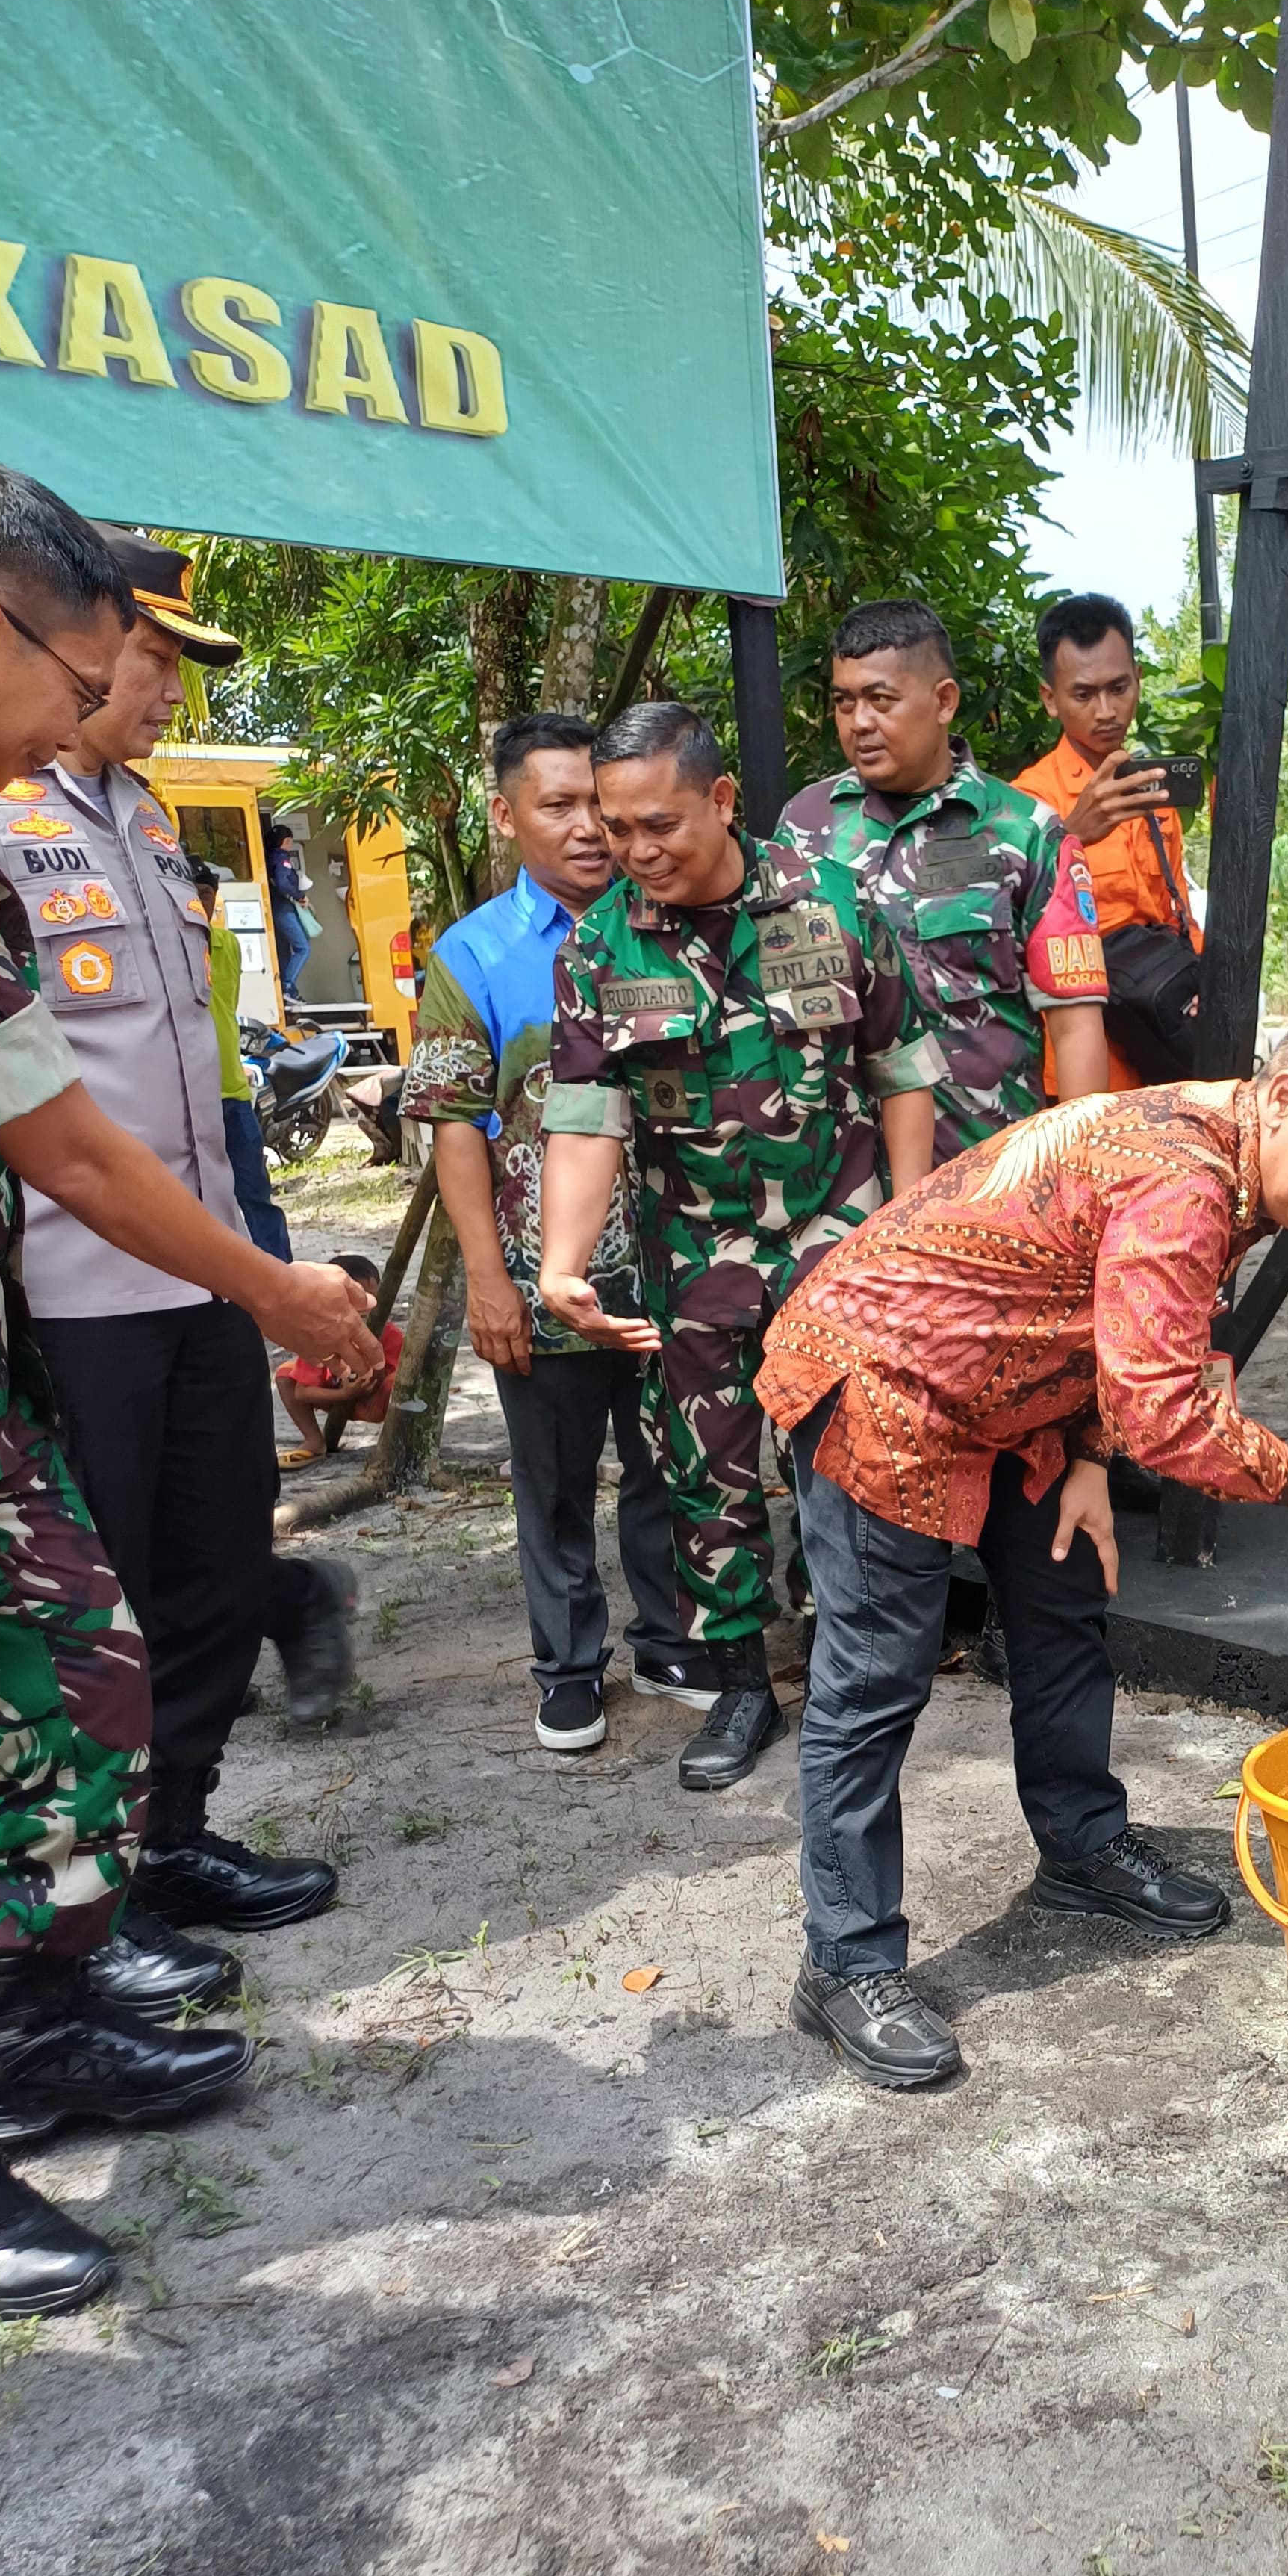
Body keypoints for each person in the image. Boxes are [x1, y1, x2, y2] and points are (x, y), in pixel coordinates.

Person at [753, 998, 1288, 2095]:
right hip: (885, 1378)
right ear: (1279, 1094)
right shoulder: (1181, 1173)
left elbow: (1093, 1304)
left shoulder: (1231, 1155)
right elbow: (1168, 1410)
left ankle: (1079, 1846)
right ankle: (845, 1961)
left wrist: (1082, 1457)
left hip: (1016, 1398)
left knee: (1068, 1605)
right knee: (875, 1678)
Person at [0, 464, 379, 2315]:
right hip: (76, 1294)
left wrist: (261, 1255)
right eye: (117, 664)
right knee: (96, 1608)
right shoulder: (13, 822)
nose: (132, 697)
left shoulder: (154, 831)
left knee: (169, 1598)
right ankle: (82, 1933)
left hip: (198, 1259)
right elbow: (58, 1142)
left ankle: (140, 1877)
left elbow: (177, 1091)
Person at [535, 701, 942, 1790]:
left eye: (659, 823)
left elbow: (900, 1072)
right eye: (617, 829)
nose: (635, 850)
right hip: (693, 1254)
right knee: (703, 1479)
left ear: (722, 800)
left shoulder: (838, 904)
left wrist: (906, 1235)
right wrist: (561, 1263)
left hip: (837, 1237)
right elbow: (585, 1117)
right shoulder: (602, 943)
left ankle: (847, 1676)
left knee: (848, 1464)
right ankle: (741, 1689)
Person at [402, 710, 702, 1757]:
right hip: (543, 1280)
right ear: (506, 814)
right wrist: (490, 1279)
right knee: (556, 1483)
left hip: (668, 1270)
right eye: (560, 806)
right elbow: (454, 1129)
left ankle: (671, 1638)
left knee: (671, 1462)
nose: (588, 830)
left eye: (601, 808)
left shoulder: (668, 924)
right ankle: (570, 1668)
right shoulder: (474, 956)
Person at [776, 598, 1113, 1161]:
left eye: (881, 700)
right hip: (846, 1186)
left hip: (987, 1172)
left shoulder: (1025, 833)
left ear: (943, 702)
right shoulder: (804, 827)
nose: (860, 722)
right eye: (844, 702)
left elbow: (1076, 1027)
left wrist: (1078, 1175)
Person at [1014, 592, 1201, 1090]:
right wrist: (1069, 836)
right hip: (1081, 1065)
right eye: (1083, 694)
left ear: (1139, 679)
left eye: (1119, 688)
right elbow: (1000, 924)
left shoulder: (1153, 791)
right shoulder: (1027, 802)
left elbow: (1175, 909)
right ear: (1050, 698)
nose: (1106, 711)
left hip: (1163, 1047)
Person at [196, 854, 293, 1260]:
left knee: (254, 1192)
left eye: (206, 896)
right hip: (194, 1093)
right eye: (195, 895)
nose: (201, 905)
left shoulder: (226, 944)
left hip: (230, 1090)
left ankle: (281, 1272)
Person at [274, 1252, 400, 1464]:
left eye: (373, 1299)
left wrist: (369, 1373)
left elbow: (392, 1379)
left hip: (373, 1403)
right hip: (333, 1398)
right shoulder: (322, 1335)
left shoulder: (392, 1335)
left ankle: (397, 1443)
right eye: (359, 1301)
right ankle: (314, 1440)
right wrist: (344, 1394)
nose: (368, 1309)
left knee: (399, 1380)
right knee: (285, 1373)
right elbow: (303, 1392)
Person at [264, 819, 313, 998]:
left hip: (273, 908)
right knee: (303, 948)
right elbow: (283, 882)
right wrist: (300, 896)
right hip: (283, 908)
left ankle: (282, 988)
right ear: (286, 842)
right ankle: (288, 987)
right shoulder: (282, 858)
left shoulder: (267, 857)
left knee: (284, 948)